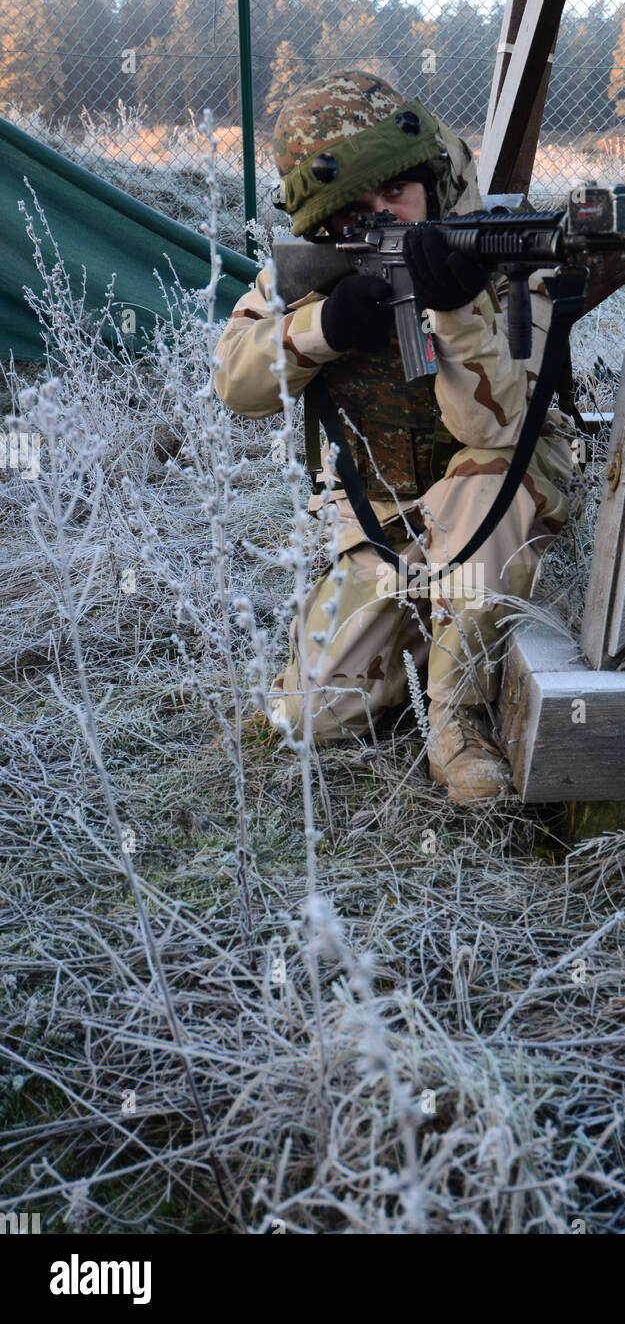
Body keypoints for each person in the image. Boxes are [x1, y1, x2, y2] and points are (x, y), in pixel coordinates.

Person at [213, 70, 582, 805]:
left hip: (496, 491)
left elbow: (501, 425)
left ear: (427, 176)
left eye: (396, 193)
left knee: (484, 478)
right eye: (357, 209)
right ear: (323, 224)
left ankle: (456, 718)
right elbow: (233, 383)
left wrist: (452, 312)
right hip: (383, 517)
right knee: (307, 715)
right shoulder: (308, 272)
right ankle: (450, 624)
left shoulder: (509, 259)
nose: (386, 216)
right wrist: (324, 328)